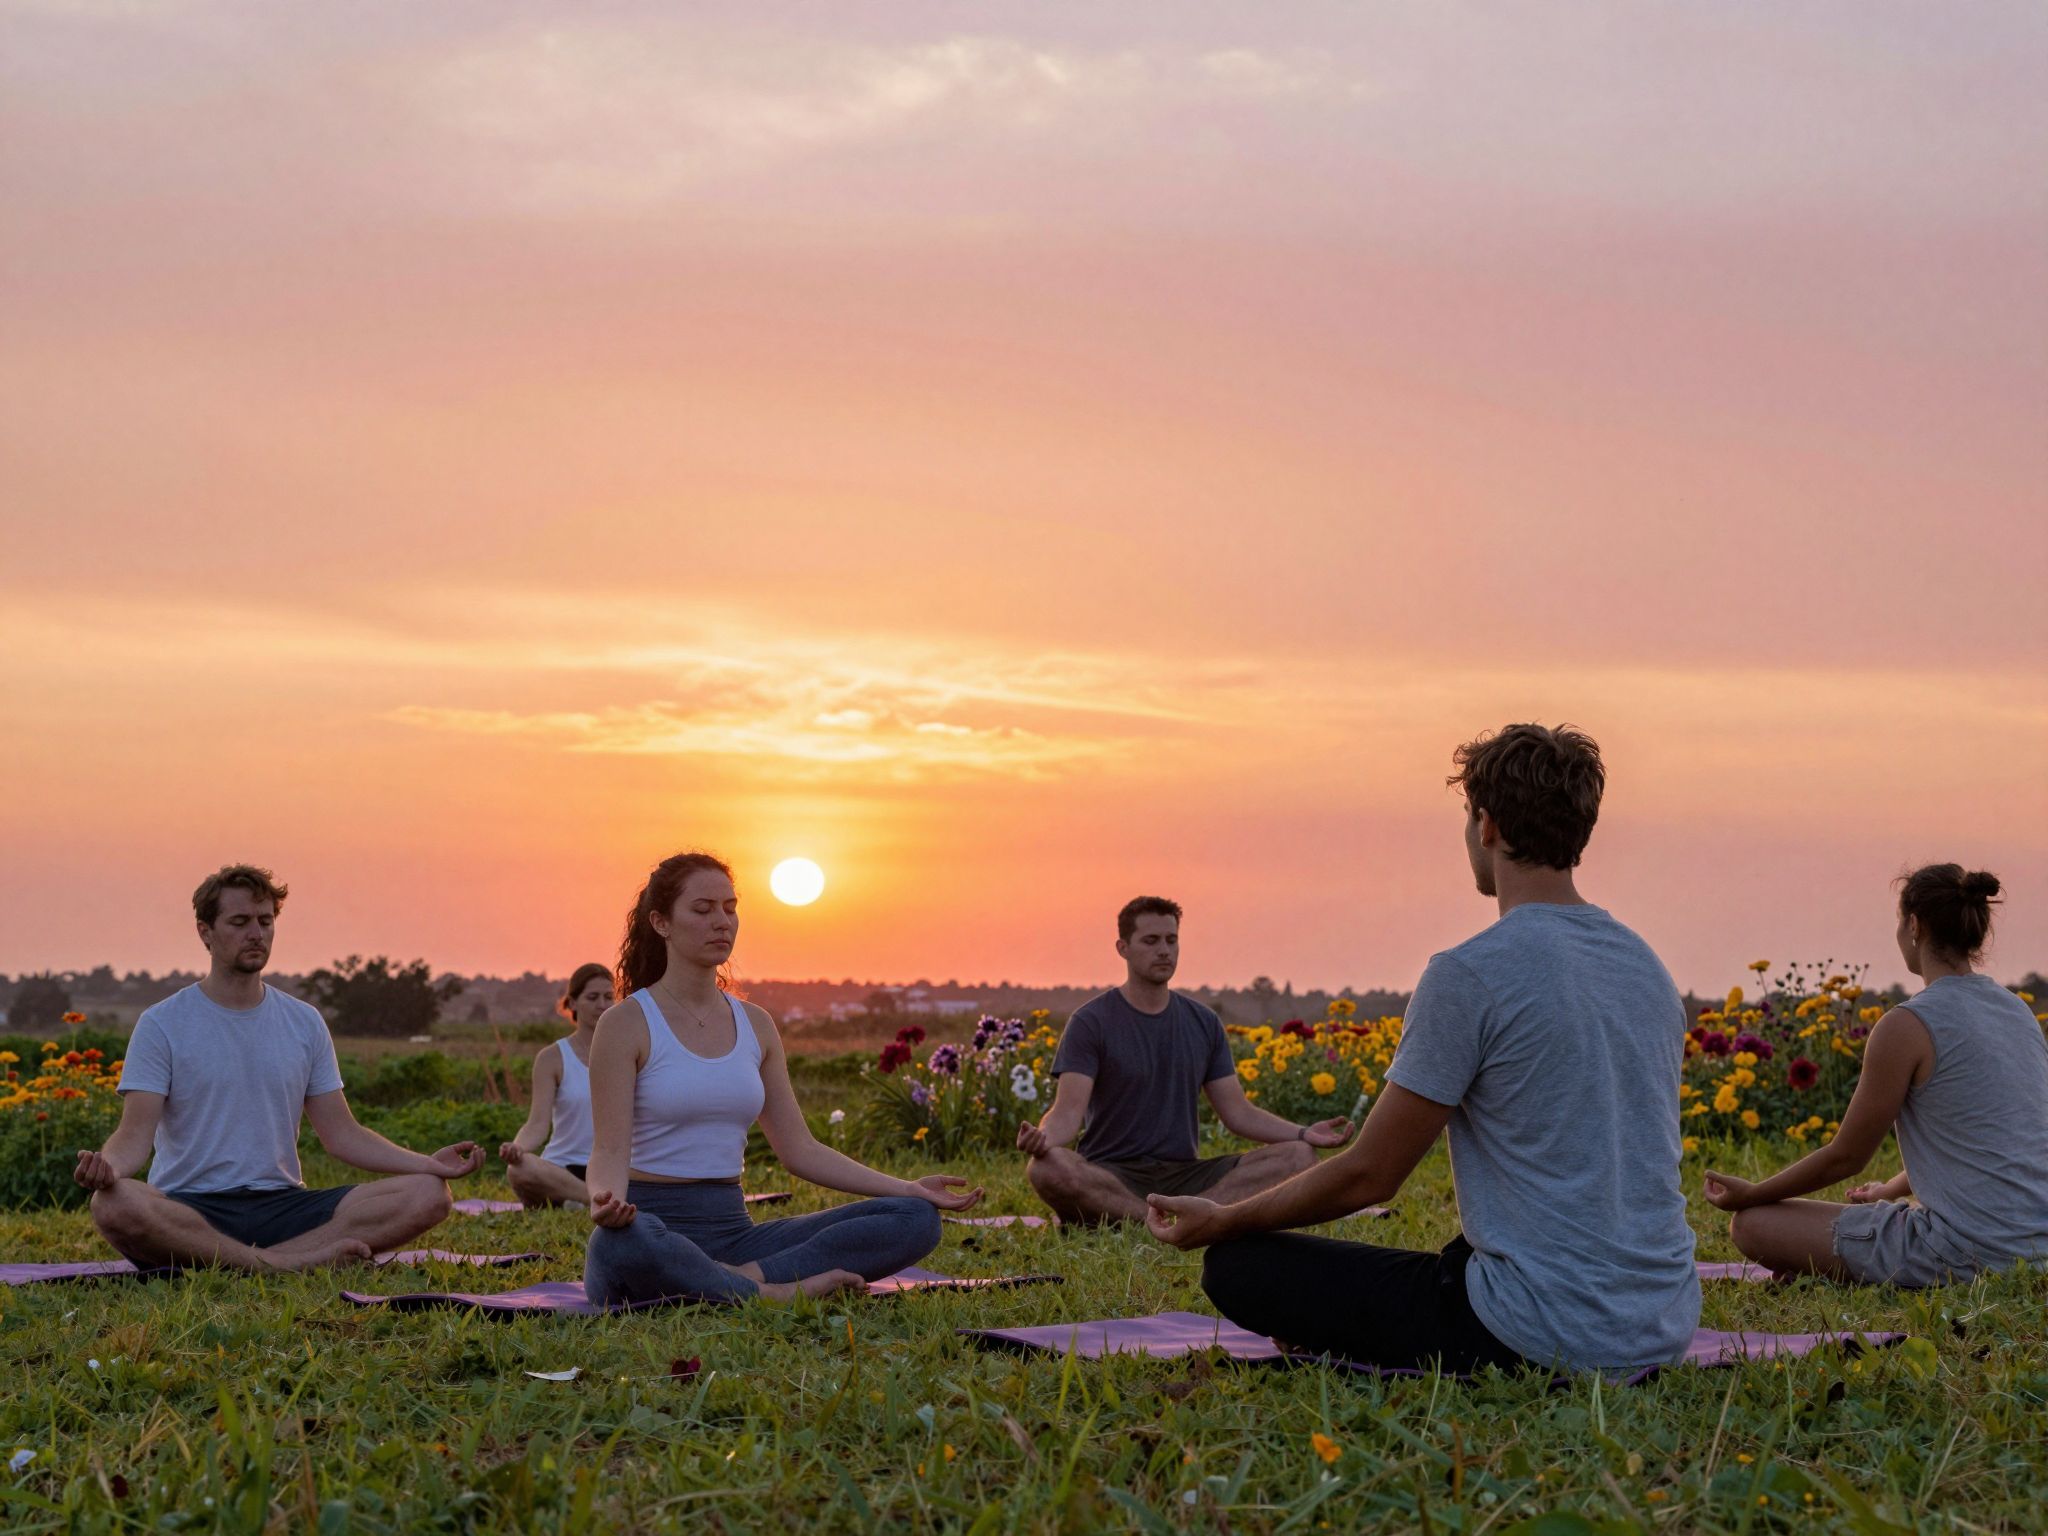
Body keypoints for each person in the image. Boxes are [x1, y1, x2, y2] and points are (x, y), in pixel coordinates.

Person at [1147, 724, 1701, 1375]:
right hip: (1662, 1323)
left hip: (1537, 1331)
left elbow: (1371, 1174)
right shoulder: (1646, 967)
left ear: (1486, 825)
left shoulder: (1471, 973)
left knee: (1239, 1265)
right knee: (1459, 1257)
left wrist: (1222, 1221)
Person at [582, 852, 982, 1305]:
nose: (721, 922)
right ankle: (774, 1293)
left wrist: (908, 1188)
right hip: (652, 1228)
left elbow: (799, 1150)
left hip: (736, 1238)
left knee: (915, 1218)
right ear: (661, 923)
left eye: (730, 909)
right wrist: (605, 1200)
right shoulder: (626, 1023)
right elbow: (609, 1150)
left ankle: (740, 1282)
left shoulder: (755, 1024)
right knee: (622, 1244)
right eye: (703, 909)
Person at [74, 864, 483, 1271]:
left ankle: (264, 1262)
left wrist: (428, 1164)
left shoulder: (303, 1021)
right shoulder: (162, 1023)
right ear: (205, 932)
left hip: (283, 1205)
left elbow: (343, 1135)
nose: (256, 933)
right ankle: (290, 1264)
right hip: (190, 1209)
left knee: (429, 1194)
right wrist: (109, 1167)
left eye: (265, 921)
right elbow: (134, 1135)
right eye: (239, 922)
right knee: (114, 1203)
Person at [1704, 866, 2048, 1285]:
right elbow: (1995, 1142)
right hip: (2036, 1249)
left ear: (1914, 925)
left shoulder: (1907, 1025)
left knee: (1752, 1224)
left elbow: (1847, 1157)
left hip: (1965, 1253)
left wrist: (1753, 1193)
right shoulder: (2017, 1012)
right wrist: (1889, 1191)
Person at [1017, 897, 1354, 1225]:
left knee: (1299, 1156)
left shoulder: (1203, 1022)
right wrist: (1043, 1138)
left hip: (1186, 1175)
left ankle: (1185, 1215)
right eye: (1151, 941)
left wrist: (1304, 1132)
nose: (1164, 950)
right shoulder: (1091, 1022)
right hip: (1112, 1174)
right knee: (1047, 1168)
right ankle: (1160, 1221)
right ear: (1123, 948)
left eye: (1171, 940)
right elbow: (1067, 1112)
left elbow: (1238, 1113)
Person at [498, 963, 612, 1208]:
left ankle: (582, 1201)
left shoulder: (629, 1053)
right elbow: (537, 1124)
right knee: (519, 1170)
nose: (602, 1004)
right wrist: (518, 1148)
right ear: (572, 1003)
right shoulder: (552, 1058)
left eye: (609, 997)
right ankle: (595, 1200)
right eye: (593, 997)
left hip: (611, 1168)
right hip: (561, 1169)